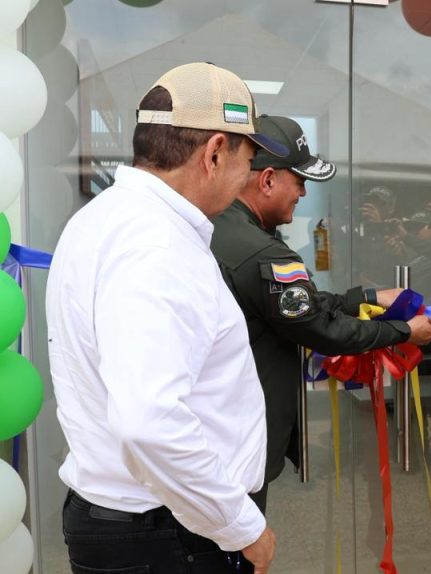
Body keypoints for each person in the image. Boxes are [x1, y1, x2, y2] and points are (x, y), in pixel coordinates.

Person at [47, 63, 289, 573]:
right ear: (215, 152)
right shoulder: (157, 246)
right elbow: (149, 422)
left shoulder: (104, 219)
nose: (245, 179)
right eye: (247, 161)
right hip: (169, 535)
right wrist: (241, 526)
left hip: (144, 524)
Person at [210, 115, 431, 511]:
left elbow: (296, 308)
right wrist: (405, 332)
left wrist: (368, 295)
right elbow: (320, 327)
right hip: (237, 442)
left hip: (217, 432)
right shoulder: (264, 254)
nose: (302, 192)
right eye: (299, 180)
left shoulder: (218, 226)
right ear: (268, 180)